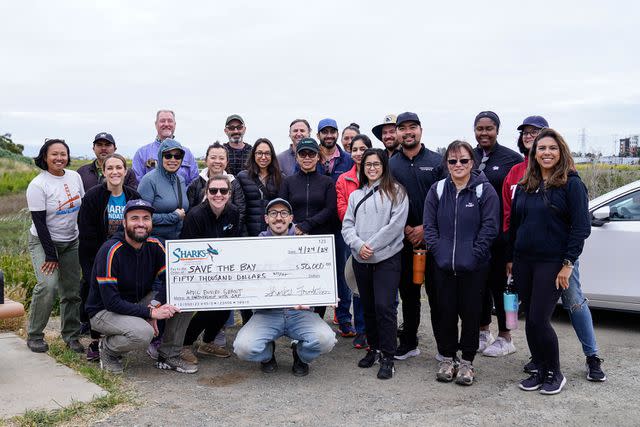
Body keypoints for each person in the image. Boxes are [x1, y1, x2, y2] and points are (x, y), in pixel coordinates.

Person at [503, 116, 606, 382]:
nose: (546, 153)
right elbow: (516, 225)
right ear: (533, 154)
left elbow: (581, 228)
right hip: (524, 262)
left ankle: (560, 370)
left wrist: (568, 263)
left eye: (552, 148)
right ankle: (538, 366)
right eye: (541, 148)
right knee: (530, 318)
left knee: (545, 315)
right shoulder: (526, 186)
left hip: (554, 262)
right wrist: (512, 258)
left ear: (561, 152)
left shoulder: (571, 184)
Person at [423, 140, 499, 385]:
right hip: (442, 265)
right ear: (446, 163)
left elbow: (490, 227)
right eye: (452, 161)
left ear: (472, 162)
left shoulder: (483, 191)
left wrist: (474, 255)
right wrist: (438, 252)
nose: (458, 165)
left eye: (463, 160)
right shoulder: (437, 189)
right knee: (444, 312)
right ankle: (447, 357)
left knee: (471, 314)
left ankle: (467, 362)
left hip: (474, 267)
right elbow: (429, 227)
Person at [233, 198, 337, 376]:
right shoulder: (252, 247)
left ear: (291, 218)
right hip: (267, 314)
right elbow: (246, 283)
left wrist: (327, 294)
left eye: (283, 213)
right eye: (273, 213)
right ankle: (267, 355)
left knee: (326, 340)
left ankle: (301, 355)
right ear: (266, 219)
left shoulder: (309, 245)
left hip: (300, 313)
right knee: (243, 347)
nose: (278, 218)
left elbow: (320, 278)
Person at [85, 199, 179, 374]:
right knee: (143, 334)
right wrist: (150, 313)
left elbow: (172, 280)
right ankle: (108, 349)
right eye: (134, 218)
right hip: (103, 311)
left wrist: (155, 305)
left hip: (135, 303)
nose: (141, 224)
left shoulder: (155, 245)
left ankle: (169, 353)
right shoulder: (110, 250)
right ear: (124, 222)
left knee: (177, 299)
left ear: (151, 222)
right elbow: (112, 302)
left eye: (146, 218)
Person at [342, 148, 408, 380]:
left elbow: (395, 225)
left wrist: (371, 245)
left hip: (387, 258)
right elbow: (347, 225)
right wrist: (358, 245)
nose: (371, 168)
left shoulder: (397, 192)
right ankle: (374, 348)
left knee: (384, 307)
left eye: (376, 164)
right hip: (361, 259)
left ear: (384, 166)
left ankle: (388, 355)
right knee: (368, 307)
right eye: (367, 164)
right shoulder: (356, 195)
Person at [389, 112, 444, 360]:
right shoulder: (390, 164)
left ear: (421, 130)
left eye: (413, 127)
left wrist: (425, 228)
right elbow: (385, 201)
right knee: (408, 295)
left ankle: (445, 347)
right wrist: (403, 228)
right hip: (402, 240)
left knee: (438, 294)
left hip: (434, 239)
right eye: (403, 128)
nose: (408, 132)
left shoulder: (437, 161)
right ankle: (409, 342)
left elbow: (447, 200)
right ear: (397, 133)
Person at [78, 153, 141, 361]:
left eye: (119, 168)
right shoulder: (93, 197)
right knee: (96, 295)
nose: (115, 172)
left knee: (120, 296)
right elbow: (86, 233)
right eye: (110, 168)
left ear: (125, 171)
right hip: (97, 256)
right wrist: (91, 266)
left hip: (125, 258)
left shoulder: (133, 195)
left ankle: (115, 338)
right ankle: (95, 342)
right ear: (104, 172)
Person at [25, 138, 84, 353]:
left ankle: (71, 336)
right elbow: (40, 224)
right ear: (45, 157)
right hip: (44, 242)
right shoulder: (38, 185)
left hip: (71, 242)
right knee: (47, 287)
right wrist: (51, 256)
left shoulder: (75, 177)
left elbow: (81, 209)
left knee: (71, 291)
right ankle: (34, 335)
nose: (59, 158)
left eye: (63, 154)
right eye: (54, 154)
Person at [472, 111, 523, 357]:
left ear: (497, 130)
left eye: (488, 128)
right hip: (475, 236)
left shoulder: (511, 159)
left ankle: (506, 336)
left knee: (503, 288)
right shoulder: (468, 156)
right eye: (479, 128)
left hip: (502, 236)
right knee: (479, 285)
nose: (484, 133)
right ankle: (483, 332)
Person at [180, 175, 241, 364]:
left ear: (229, 194)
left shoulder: (233, 212)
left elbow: (233, 243)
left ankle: (207, 342)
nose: (218, 195)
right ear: (206, 193)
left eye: (223, 191)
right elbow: (186, 249)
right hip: (196, 269)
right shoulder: (195, 215)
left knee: (224, 308)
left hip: (221, 268)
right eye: (213, 190)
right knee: (206, 309)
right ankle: (184, 344)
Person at [278, 138, 337, 319]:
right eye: (303, 154)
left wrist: (307, 225)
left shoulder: (327, 182)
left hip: (319, 240)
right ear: (297, 157)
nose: (307, 157)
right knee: (296, 282)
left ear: (318, 157)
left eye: (311, 154)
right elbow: (282, 208)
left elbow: (330, 209)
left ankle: (317, 320)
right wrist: (295, 227)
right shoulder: (288, 182)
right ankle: (296, 324)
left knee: (318, 283)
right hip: (294, 239)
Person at [316, 118, 355, 329]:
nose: (329, 135)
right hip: (318, 225)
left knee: (342, 271)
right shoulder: (311, 157)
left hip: (341, 225)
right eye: (325, 132)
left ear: (337, 134)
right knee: (317, 270)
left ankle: (343, 317)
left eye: (332, 132)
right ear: (318, 135)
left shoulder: (347, 159)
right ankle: (314, 317)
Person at [335, 135, 372, 348]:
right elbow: (342, 208)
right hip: (352, 237)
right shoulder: (344, 179)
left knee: (374, 286)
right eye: (355, 149)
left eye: (362, 148)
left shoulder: (378, 174)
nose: (358, 153)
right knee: (356, 284)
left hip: (376, 238)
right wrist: (357, 233)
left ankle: (375, 328)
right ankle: (361, 329)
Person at [187, 142, 246, 234]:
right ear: (206, 160)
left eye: (221, 158)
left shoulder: (234, 183)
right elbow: (190, 210)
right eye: (213, 158)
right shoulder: (196, 184)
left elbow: (240, 211)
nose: (217, 161)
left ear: (227, 162)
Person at [137, 139, 190, 243]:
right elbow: (141, 217)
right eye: (168, 155)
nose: (173, 159)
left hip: (178, 242)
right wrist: (173, 217)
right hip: (155, 242)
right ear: (161, 157)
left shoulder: (181, 180)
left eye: (177, 156)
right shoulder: (149, 180)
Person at [132, 110, 199, 186]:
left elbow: (195, 182)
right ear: (156, 124)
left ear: (175, 124)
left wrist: (182, 194)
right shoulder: (141, 153)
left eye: (170, 121)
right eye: (162, 121)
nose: (166, 124)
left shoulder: (187, 153)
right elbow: (137, 183)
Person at [237, 138, 284, 237]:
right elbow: (240, 208)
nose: (263, 157)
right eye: (259, 153)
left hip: (273, 232)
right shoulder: (242, 177)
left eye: (267, 153)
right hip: (249, 233)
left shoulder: (280, 177)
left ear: (272, 156)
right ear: (253, 155)